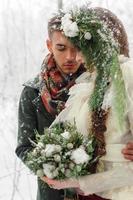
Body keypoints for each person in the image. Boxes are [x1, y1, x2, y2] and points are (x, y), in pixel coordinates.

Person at [15, 6, 133, 200]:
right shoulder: (33, 91)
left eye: (77, 48)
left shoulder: (100, 79)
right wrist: (51, 166)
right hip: (55, 193)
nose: (71, 57)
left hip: (102, 190)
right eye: (61, 48)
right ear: (49, 45)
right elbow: (24, 147)